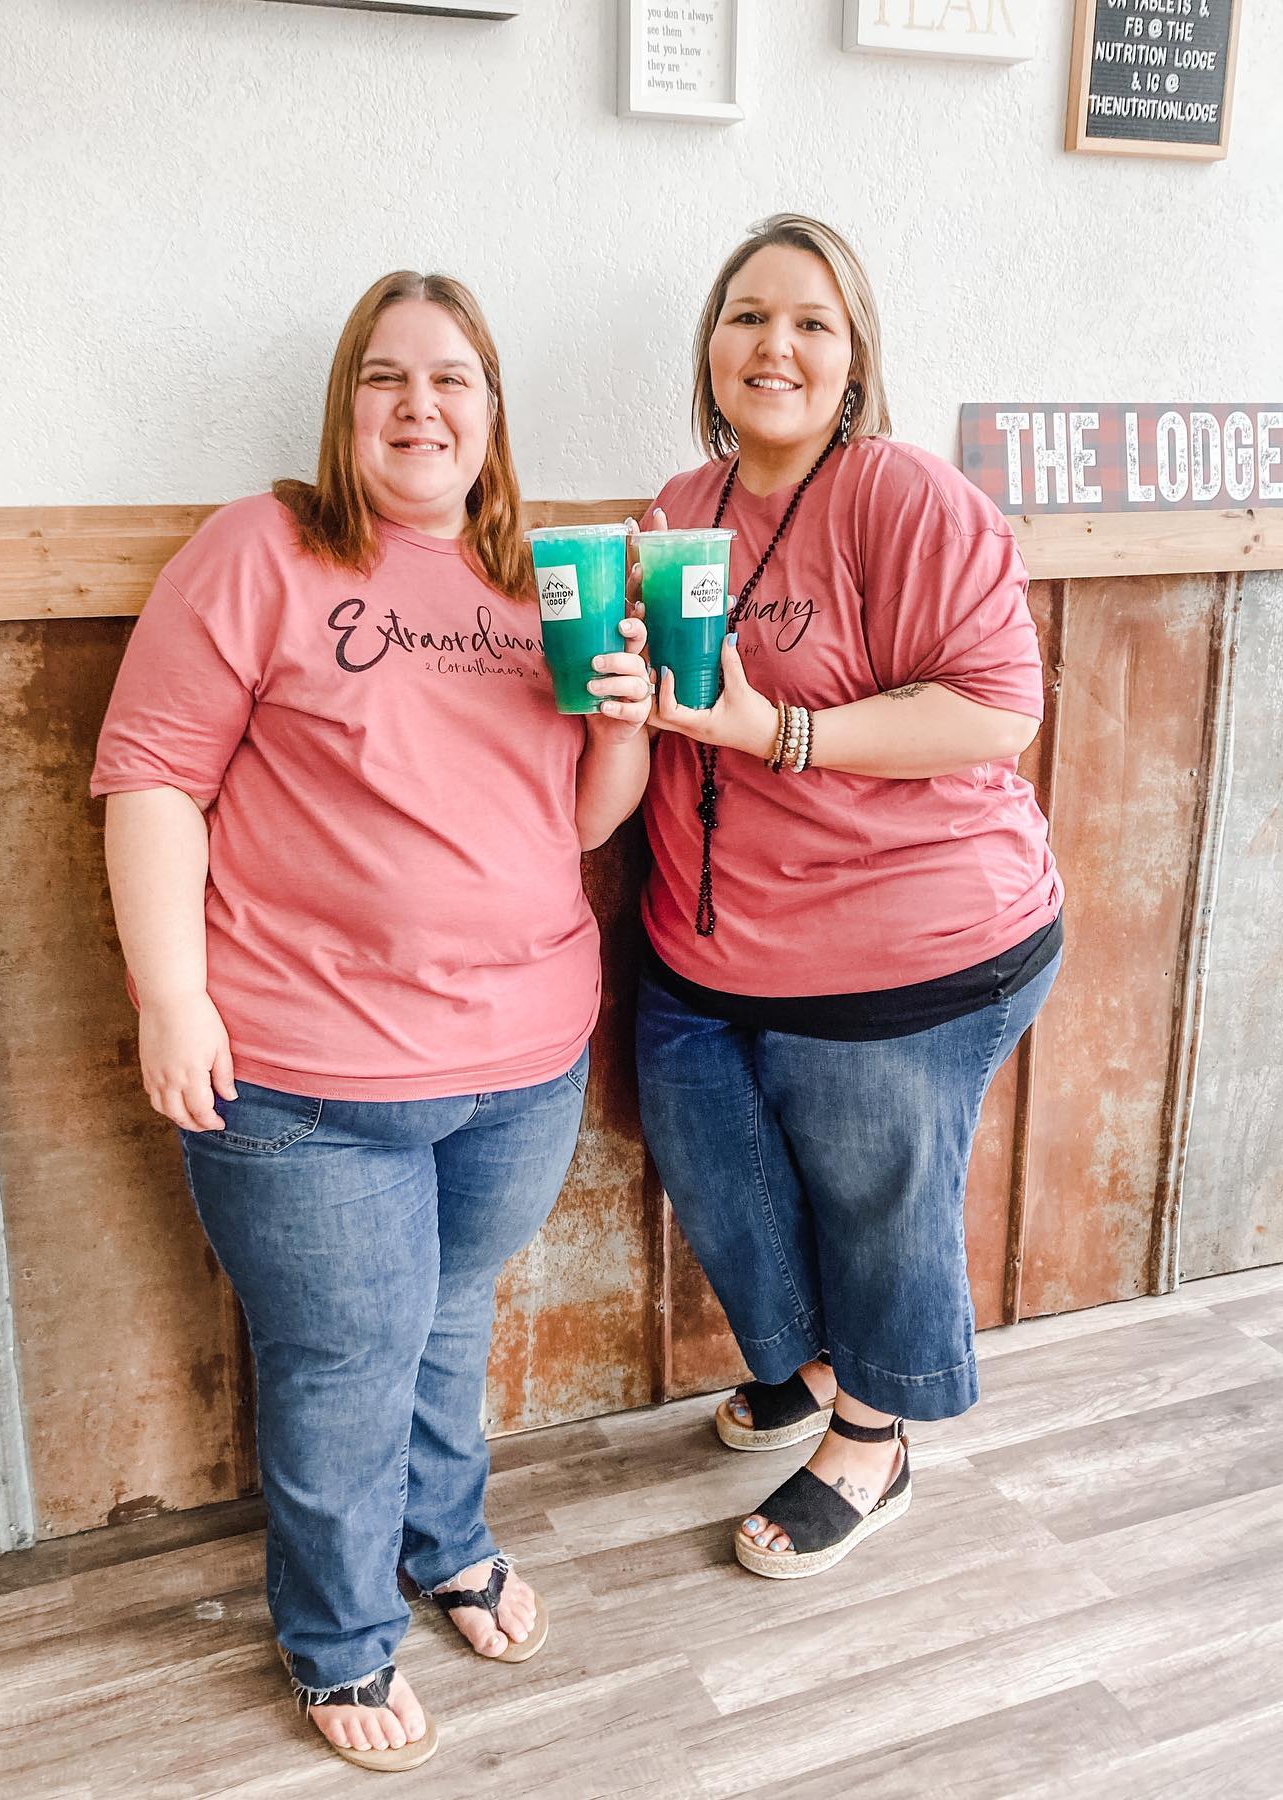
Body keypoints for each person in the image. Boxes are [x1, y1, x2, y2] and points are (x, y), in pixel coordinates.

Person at [90, 271, 652, 1771]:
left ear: (491, 411)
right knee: (343, 1365)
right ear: (345, 409)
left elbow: (580, 817)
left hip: (521, 1061)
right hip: (306, 1076)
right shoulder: (261, 549)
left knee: (451, 1319)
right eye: (386, 377)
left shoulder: (539, 576)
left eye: (453, 377)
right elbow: (153, 777)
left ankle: (446, 1540)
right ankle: (340, 1640)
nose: (421, 405)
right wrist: (171, 997)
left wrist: (626, 718)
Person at [633, 214, 1062, 1580]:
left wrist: (780, 731)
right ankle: (817, 1366)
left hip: (914, 939)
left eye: (811, 322)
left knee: (880, 1180)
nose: (777, 345)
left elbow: (997, 710)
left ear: (855, 359)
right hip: (714, 941)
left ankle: (875, 1436)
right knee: (709, 1147)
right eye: (748, 316)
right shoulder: (678, 512)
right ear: (711, 348)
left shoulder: (903, 496)